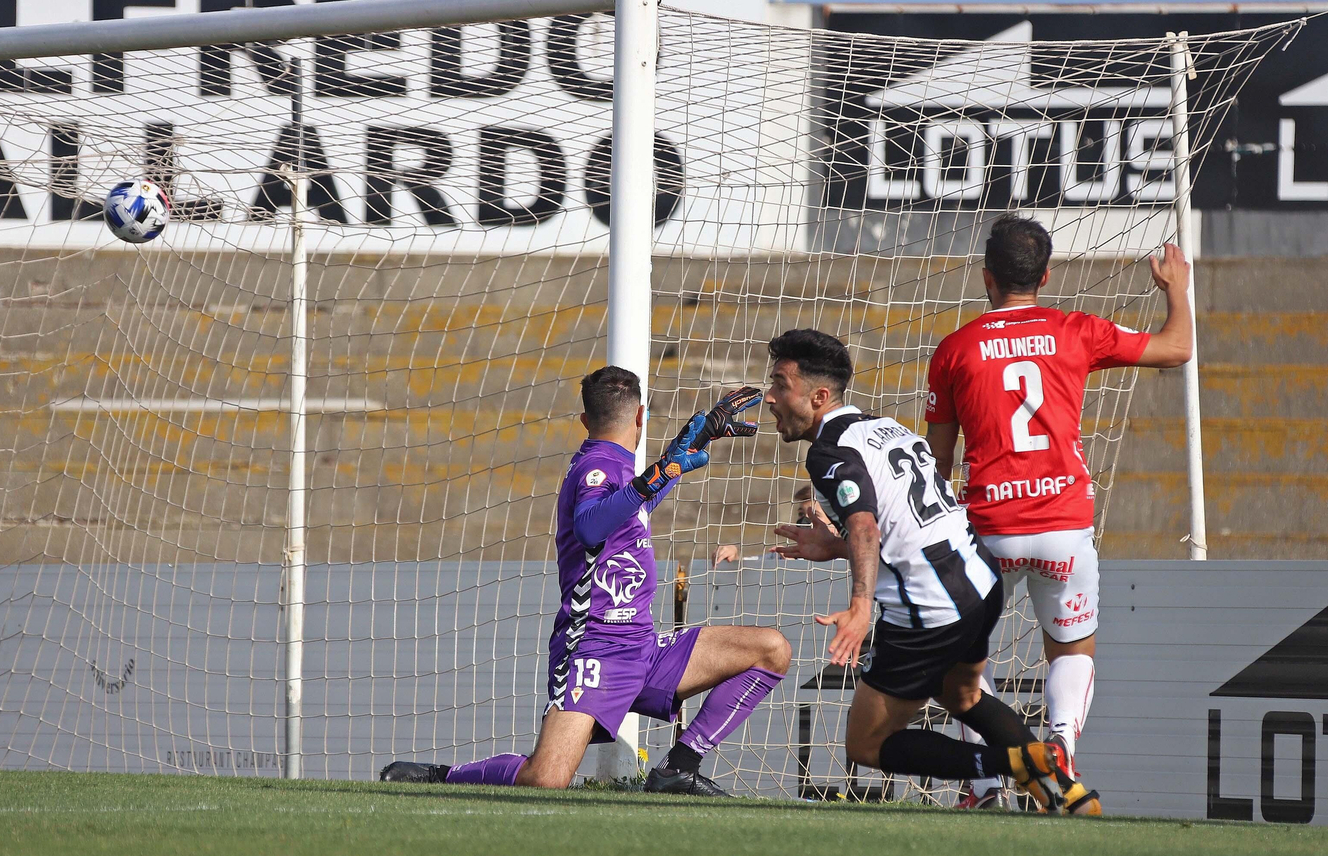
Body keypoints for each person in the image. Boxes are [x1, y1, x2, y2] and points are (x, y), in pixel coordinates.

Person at [381, 369, 789, 795]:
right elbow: (591, 526)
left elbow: (635, 505)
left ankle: (679, 767)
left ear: (584, 418)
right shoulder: (596, 465)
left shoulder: (621, 467)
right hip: (595, 650)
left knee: (770, 650)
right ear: (641, 416)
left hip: (643, 649)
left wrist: (696, 439)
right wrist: (664, 469)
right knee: (548, 778)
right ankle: (440, 776)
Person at [765, 328, 1099, 815]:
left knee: (868, 745)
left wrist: (860, 606)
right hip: (981, 584)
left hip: (931, 607)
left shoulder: (828, 451)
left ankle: (1017, 765)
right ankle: (1066, 793)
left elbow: (863, 523)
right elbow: (896, 525)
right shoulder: (884, 427)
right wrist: (836, 547)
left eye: (780, 384)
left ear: (818, 396)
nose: (770, 398)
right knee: (962, 695)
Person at [924, 215, 1192, 804]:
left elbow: (938, 466)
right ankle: (1061, 742)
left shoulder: (954, 349)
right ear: (1045, 275)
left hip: (986, 528)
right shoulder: (1075, 330)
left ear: (986, 277)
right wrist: (1175, 287)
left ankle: (986, 779)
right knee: (1070, 649)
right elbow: (1177, 348)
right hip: (1062, 524)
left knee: (963, 661)